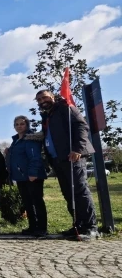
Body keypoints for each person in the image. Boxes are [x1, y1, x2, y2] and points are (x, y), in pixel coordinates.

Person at [36, 90, 98, 239]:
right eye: (38, 99)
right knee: (68, 193)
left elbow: (82, 126)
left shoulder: (65, 106)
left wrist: (77, 149)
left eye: (44, 97)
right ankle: (79, 225)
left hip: (73, 157)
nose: (41, 100)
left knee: (80, 191)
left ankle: (91, 227)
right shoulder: (46, 115)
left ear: (52, 97)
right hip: (58, 160)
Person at [6, 116, 48, 237]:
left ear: (27, 125)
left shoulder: (30, 138)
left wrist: (33, 173)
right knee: (27, 202)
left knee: (37, 202)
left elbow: (35, 157)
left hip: (32, 176)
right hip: (21, 177)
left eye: (22, 124)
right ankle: (32, 226)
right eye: (17, 124)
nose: (19, 126)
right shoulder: (16, 140)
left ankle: (41, 228)